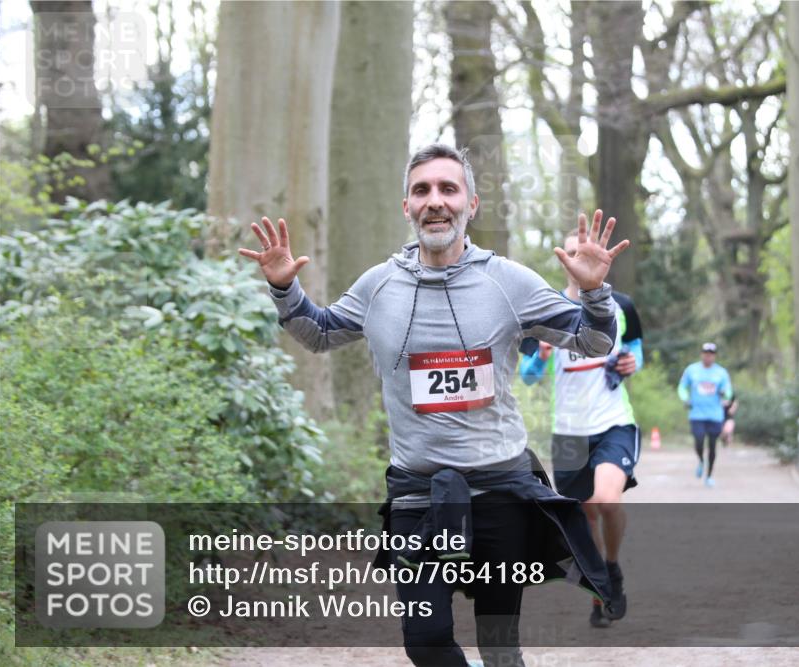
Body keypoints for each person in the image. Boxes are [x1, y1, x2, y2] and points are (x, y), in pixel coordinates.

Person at [239, 143, 629, 667]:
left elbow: (594, 343)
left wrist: (595, 294)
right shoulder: (378, 286)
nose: (435, 201)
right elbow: (318, 333)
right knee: (425, 641)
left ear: (472, 204)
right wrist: (284, 287)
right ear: (407, 206)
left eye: (449, 188)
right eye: (422, 190)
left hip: (499, 492)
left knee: (498, 647)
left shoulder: (508, 282)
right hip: (417, 495)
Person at [518, 230, 644, 629]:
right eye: (571, 252)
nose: (579, 258)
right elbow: (528, 376)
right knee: (585, 513)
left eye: (585, 251)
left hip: (612, 421)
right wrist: (539, 356)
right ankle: (599, 584)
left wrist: (630, 365)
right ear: (564, 260)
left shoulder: (620, 306)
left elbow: (636, 351)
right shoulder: (544, 311)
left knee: (607, 500)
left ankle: (611, 570)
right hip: (569, 431)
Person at [678, 342, 733, 488]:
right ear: (702, 354)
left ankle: (708, 476)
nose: (708, 356)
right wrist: (685, 399)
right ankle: (701, 461)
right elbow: (682, 387)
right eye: (705, 353)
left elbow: (729, 391)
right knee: (699, 440)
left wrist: (724, 394)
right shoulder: (692, 370)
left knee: (713, 445)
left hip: (715, 415)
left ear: (714, 356)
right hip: (697, 414)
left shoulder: (721, 372)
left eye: (711, 354)